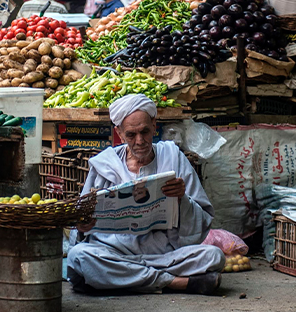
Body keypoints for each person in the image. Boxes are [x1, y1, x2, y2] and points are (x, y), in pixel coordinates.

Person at [67, 94, 225, 295]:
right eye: (131, 135)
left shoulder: (174, 157)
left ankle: (125, 277)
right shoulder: (104, 164)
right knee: (79, 256)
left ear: (154, 125)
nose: (140, 141)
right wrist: (82, 227)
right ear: (119, 133)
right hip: (114, 252)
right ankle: (173, 282)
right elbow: (80, 225)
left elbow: (202, 223)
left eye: (145, 132)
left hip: (163, 254)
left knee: (213, 256)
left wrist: (182, 199)